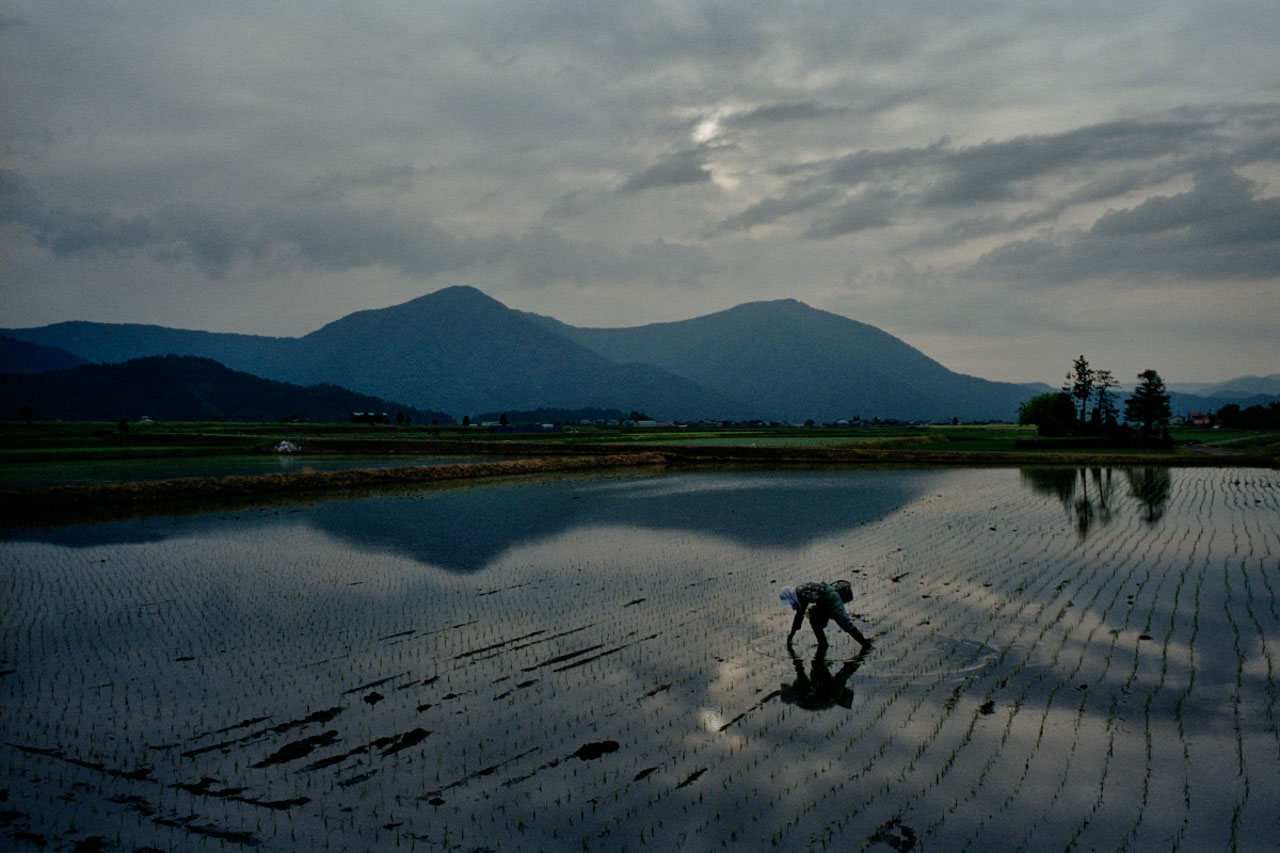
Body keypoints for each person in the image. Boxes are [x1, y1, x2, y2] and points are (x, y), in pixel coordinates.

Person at [780, 580, 872, 651]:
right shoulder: (800, 593)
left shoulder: (801, 593)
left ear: (789, 596)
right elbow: (799, 615)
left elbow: (800, 614)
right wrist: (792, 633)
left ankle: (865, 644)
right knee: (815, 621)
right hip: (824, 600)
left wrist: (791, 634)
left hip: (831, 597)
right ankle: (823, 644)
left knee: (844, 623)